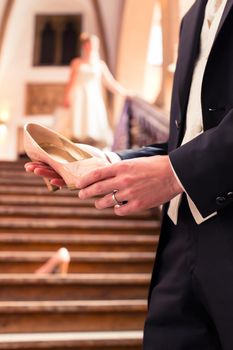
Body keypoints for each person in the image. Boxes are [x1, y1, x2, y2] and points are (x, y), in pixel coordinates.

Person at [25, 0, 233, 348]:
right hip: (178, 245)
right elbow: (189, 137)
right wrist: (109, 160)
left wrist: (175, 173)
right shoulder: (190, 18)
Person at [62, 32, 129, 148]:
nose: (92, 46)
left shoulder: (100, 64)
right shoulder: (77, 63)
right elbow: (71, 82)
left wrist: (124, 92)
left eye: (94, 43)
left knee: (93, 125)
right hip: (79, 96)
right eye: (90, 43)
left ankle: (91, 150)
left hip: (93, 96)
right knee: (78, 125)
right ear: (85, 45)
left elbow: (110, 83)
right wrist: (67, 97)